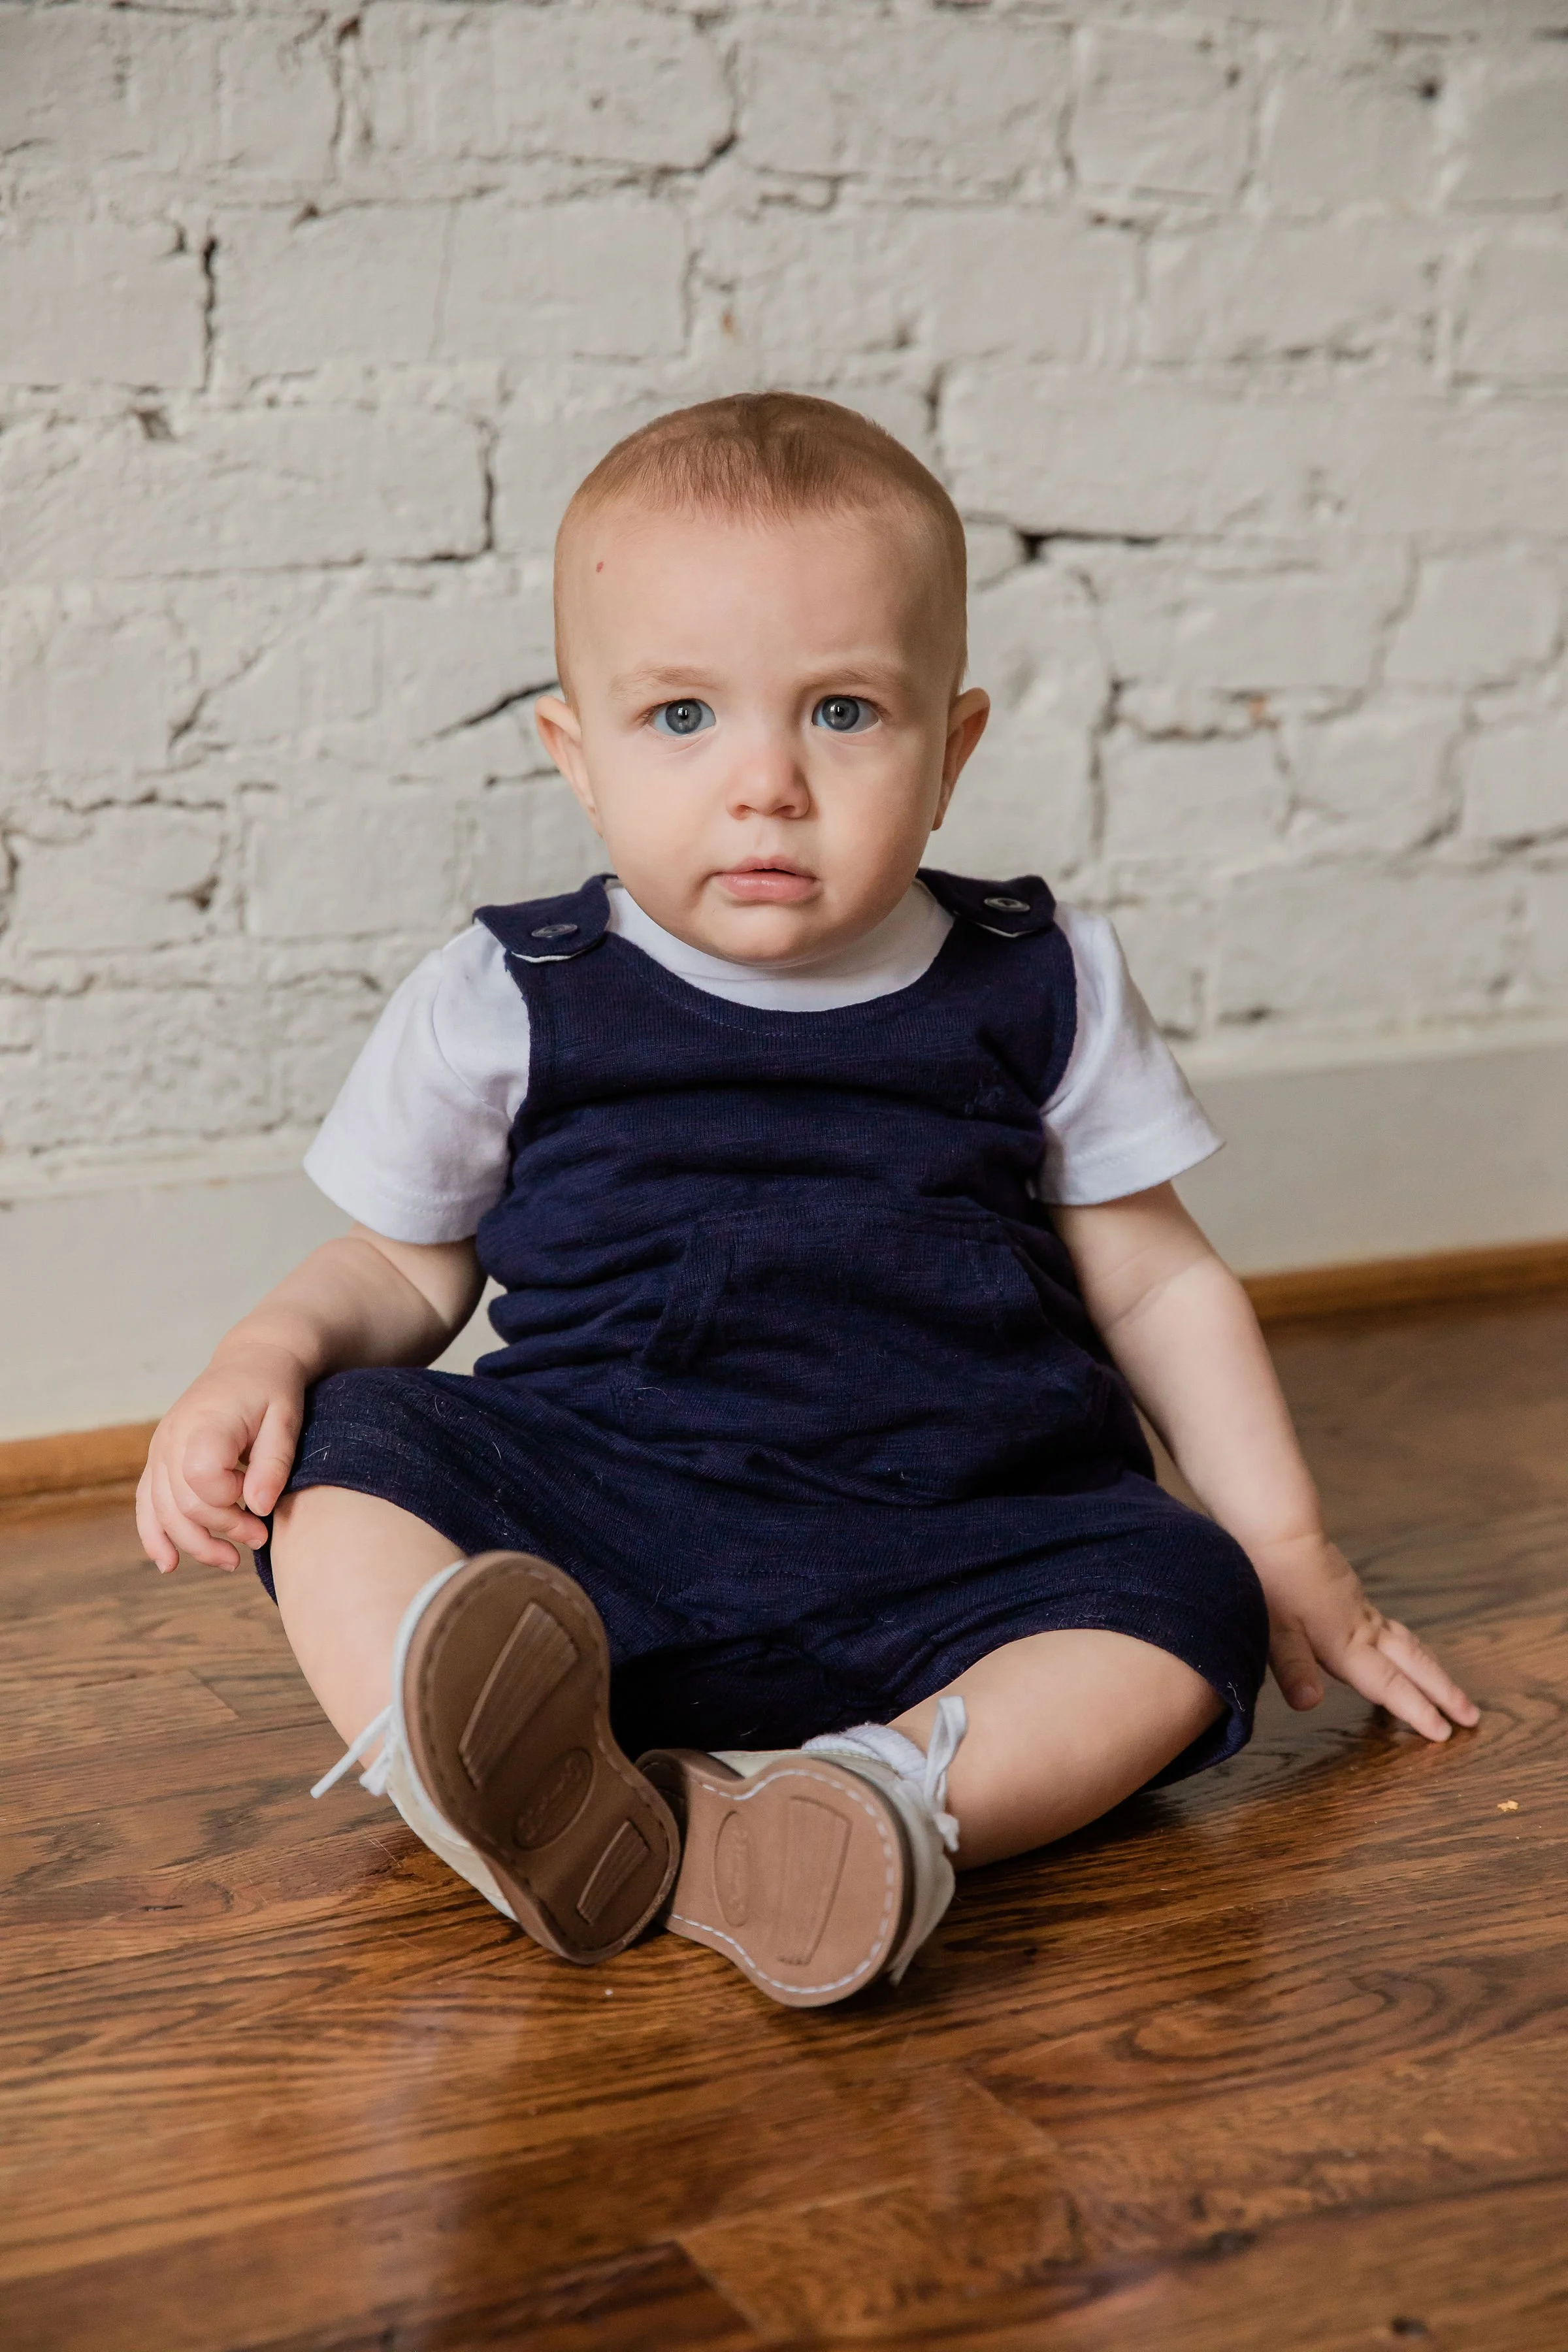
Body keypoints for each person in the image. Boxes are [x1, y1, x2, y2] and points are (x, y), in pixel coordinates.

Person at [137, 392, 1477, 2008]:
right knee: (353, 1445)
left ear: (950, 748)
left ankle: (869, 1801)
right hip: (602, 1544)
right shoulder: (511, 994)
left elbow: (1159, 1289)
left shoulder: (1038, 986)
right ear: (578, 755)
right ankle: (485, 1776)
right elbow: (400, 1268)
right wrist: (259, 1357)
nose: (766, 781)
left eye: (842, 712)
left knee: (1181, 1598)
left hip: (961, 1550)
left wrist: (1288, 1543)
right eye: (684, 718)